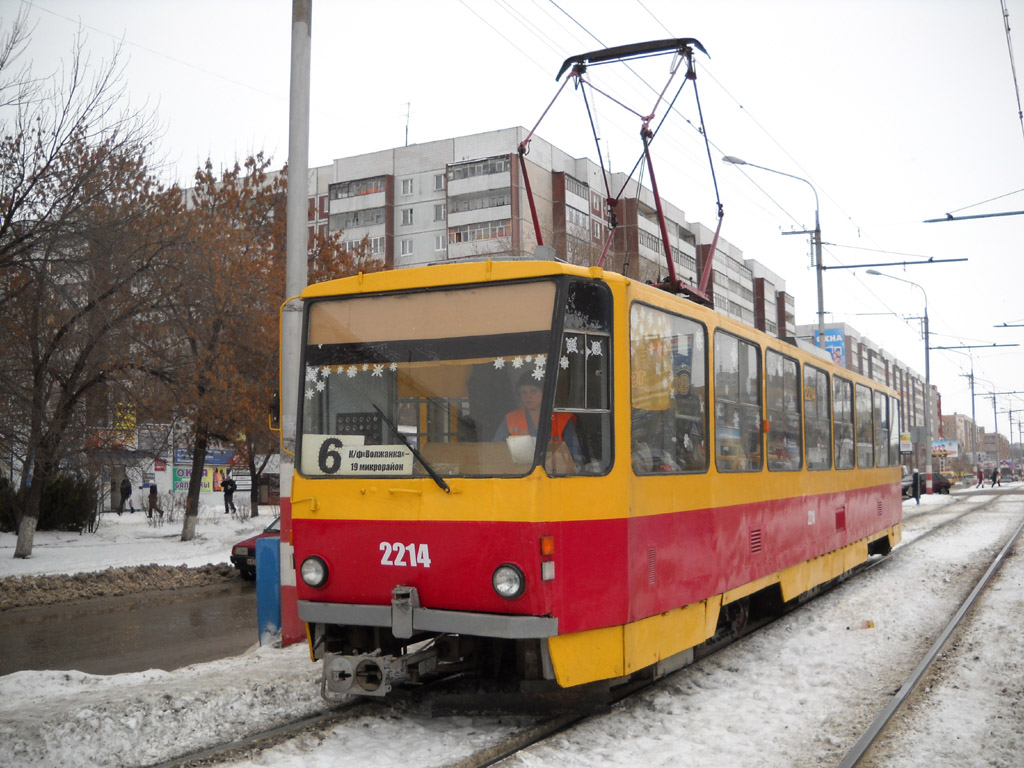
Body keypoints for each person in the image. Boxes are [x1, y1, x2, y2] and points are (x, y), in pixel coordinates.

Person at [493, 375, 583, 468]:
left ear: (544, 393)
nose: (528, 396)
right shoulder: (510, 419)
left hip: (554, 477)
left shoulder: (562, 419)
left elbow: (575, 458)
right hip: (520, 477)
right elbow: (495, 451)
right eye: (523, 392)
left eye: (533, 391)